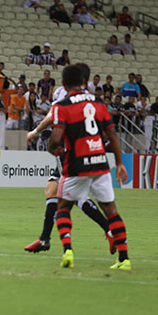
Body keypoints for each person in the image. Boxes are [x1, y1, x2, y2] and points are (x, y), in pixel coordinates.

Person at [47, 64, 132, 270]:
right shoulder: (99, 102)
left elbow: (56, 137)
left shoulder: (62, 105)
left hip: (76, 164)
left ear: (64, 85)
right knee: (111, 211)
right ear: (85, 82)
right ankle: (124, 259)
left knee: (63, 207)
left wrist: (53, 148)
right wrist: (119, 163)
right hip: (100, 162)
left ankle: (68, 250)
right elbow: (112, 134)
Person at [24, 63, 114, 254]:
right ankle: (45, 239)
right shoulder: (90, 98)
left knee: (72, 196)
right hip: (82, 149)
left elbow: (51, 116)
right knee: (52, 191)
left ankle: (107, 230)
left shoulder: (63, 99)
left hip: (68, 151)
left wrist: (35, 131)